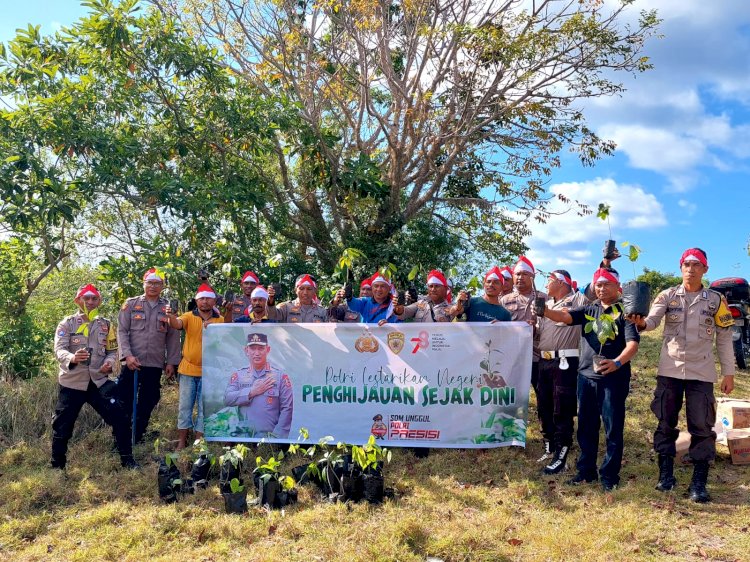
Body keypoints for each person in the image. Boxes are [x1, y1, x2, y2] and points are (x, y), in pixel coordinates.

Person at [627, 248, 734, 502]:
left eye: (696, 264)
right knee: (665, 422)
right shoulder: (667, 295)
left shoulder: (716, 301)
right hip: (670, 369)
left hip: (702, 371)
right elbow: (651, 321)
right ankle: (666, 475)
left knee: (702, 426)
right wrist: (640, 323)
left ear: (705, 269)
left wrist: (728, 372)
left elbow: (725, 338)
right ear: (681, 267)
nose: (691, 268)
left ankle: (699, 483)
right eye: (686, 264)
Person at [543, 267, 639, 492]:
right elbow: (566, 317)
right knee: (586, 427)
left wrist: (616, 362)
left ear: (618, 287)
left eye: (607, 284)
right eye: (598, 284)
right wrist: (545, 312)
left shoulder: (626, 312)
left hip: (613, 379)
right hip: (586, 377)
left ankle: (609, 475)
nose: (601, 288)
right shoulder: (589, 310)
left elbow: (633, 344)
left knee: (613, 428)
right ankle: (586, 471)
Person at [52, 284, 139, 469]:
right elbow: (59, 350)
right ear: (78, 301)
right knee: (62, 426)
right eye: (86, 298)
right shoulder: (67, 324)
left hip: (98, 382)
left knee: (121, 417)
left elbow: (112, 350)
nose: (90, 302)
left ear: (99, 301)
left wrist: (109, 364)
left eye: (94, 299)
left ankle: (127, 461)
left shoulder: (106, 325)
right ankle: (57, 466)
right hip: (72, 382)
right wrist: (73, 357)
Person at [117, 267, 181, 444]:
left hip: (154, 363)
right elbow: (122, 331)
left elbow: (173, 336)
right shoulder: (130, 304)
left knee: (149, 399)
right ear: (143, 284)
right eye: (150, 283)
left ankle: (137, 435)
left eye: (157, 283)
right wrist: (127, 356)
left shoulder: (168, 307)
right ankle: (121, 437)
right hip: (132, 362)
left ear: (163, 286)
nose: (153, 286)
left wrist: (171, 362)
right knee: (124, 399)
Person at [536, 270, 589, 474]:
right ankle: (551, 445)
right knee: (544, 406)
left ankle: (562, 453)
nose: (546, 284)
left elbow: (594, 289)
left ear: (560, 282)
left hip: (565, 361)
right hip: (545, 360)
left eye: (549, 280)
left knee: (562, 408)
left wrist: (606, 262)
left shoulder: (576, 298)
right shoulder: (547, 304)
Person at [166, 283, 224, 449]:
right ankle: (182, 442)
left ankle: (199, 442)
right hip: (188, 370)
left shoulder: (220, 320)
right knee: (185, 407)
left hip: (210, 372)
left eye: (208, 299)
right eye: (202, 299)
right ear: (197, 301)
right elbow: (177, 324)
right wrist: (170, 316)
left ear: (214, 302)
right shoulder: (188, 316)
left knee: (204, 408)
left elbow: (225, 340)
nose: (205, 302)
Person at [224, 333, 294, 438]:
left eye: (261, 348)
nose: (257, 353)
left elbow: (287, 409)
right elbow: (227, 399)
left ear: (268, 349)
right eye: (252, 349)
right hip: (243, 438)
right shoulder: (238, 375)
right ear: (246, 350)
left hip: (269, 438)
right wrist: (251, 392)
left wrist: (277, 438)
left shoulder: (280, 377)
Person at [333, 272, 399, 324]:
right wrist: (349, 297)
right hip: (367, 338)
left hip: (386, 339)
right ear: (372, 288)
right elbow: (354, 304)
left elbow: (400, 323)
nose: (379, 289)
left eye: (383, 286)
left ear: (389, 288)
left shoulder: (393, 305)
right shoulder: (365, 301)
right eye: (376, 286)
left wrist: (389, 324)